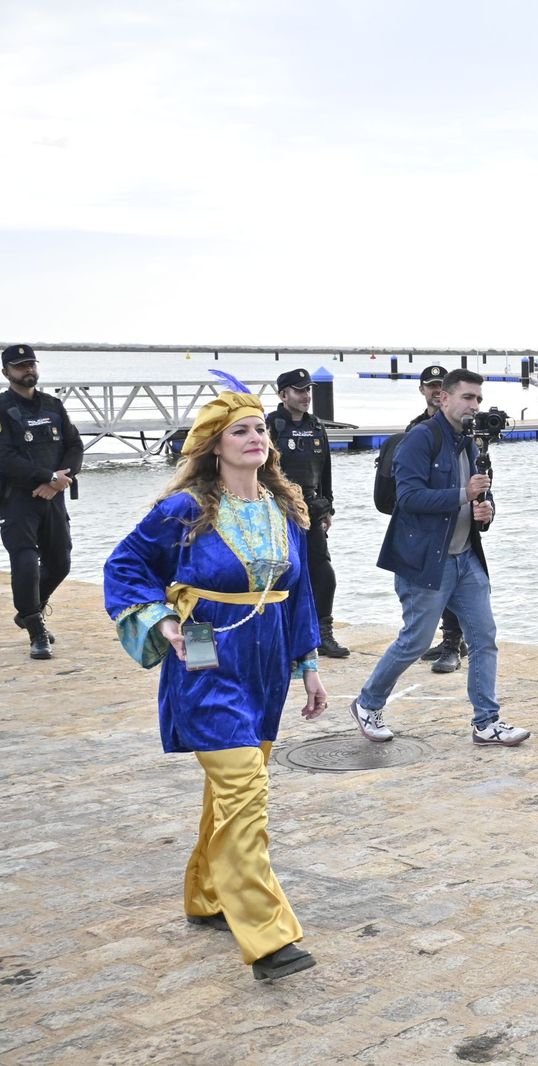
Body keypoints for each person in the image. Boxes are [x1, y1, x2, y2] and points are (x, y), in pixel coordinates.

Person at [102, 372, 327, 981]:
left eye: (260, 429)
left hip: (268, 660)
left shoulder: (285, 509)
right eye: (240, 431)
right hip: (204, 655)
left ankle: (205, 895)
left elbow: (299, 593)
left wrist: (307, 665)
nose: (255, 437)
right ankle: (268, 937)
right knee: (246, 790)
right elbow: (125, 564)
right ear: (214, 446)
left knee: (232, 787)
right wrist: (158, 620)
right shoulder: (185, 509)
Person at [350, 369, 530, 747]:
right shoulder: (419, 439)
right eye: (467, 398)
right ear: (443, 398)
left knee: (484, 638)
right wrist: (463, 495)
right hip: (425, 560)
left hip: (466, 558)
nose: (474, 405)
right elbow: (409, 498)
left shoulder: (473, 442)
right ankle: (367, 703)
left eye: (478, 399)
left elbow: (481, 491)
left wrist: (487, 512)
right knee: (414, 642)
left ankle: (487, 722)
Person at [0, 343, 83, 660]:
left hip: (54, 496)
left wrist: (61, 479)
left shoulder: (53, 406)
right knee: (24, 562)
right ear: (6, 372)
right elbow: (4, 457)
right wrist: (45, 477)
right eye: (20, 366)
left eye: (31, 364)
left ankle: (29, 611)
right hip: (16, 500)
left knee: (60, 562)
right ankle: (36, 632)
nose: (28, 370)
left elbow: (75, 447)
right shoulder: (1, 409)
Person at [267, 368, 347, 658]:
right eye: (299, 390)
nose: (306, 396)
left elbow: (325, 470)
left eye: (308, 390)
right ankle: (282, 632)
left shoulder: (315, 426)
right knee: (285, 570)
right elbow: (263, 471)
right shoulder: (271, 426)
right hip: (279, 508)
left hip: (312, 508)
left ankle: (323, 632)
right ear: (283, 394)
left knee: (323, 571)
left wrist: (328, 507)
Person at [407, 365, 468, 674]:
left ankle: (452, 645)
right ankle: (443, 639)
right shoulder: (417, 429)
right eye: (430, 385)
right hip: (425, 523)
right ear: (423, 390)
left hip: (456, 520)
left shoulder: (463, 430)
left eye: (440, 385)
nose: (435, 390)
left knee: (455, 583)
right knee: (428, 586)